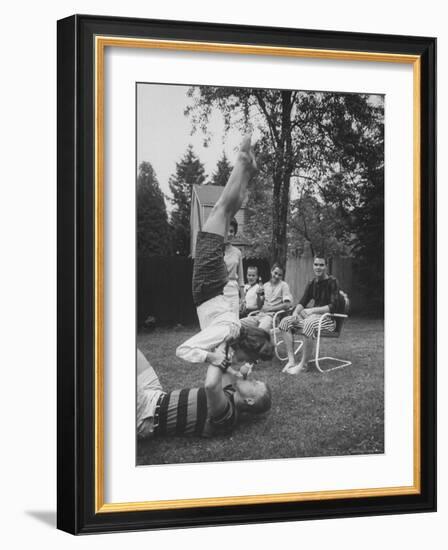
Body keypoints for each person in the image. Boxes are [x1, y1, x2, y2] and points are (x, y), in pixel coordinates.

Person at [176, 135, 274, 369]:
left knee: (227, 212)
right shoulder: (226, 332)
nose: (247, 363)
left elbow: (227, 360)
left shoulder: (232, 335)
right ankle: (242, 163)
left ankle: (247, 173)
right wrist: (210, 358)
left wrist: (235, 370)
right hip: (207, 286)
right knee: (220, 209)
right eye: (251, 360)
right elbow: (183, 350)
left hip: (214, 287)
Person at [137, 349, 271, 439]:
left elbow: (211, 385)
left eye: (254, 384)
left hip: (146, 414)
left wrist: (219, 354)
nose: (251, 379)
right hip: (156, 394)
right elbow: (223, 368)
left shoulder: (228, 415)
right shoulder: (231, 392)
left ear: (249, 401)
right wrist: (227, 344)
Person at [279, 255, 340, 374]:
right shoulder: (312, 282)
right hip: (313, 319)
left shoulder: (332, 282)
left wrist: (313, 310)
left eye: (321, 265)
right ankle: (291, 361)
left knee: (308, 323)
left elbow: (333, 306)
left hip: (328, 320)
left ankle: (303, 365)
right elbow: (302, 302)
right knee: (285, 322)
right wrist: (296, 313)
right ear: (313, 266)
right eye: (316, 264)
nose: (318, 267)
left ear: (326, 266)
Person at [240, 263, 293, 333]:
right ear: (271, 272)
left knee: (260, 331)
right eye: (275, 273)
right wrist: (258, 295)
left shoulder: (284, 285)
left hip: (271, 317)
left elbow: (287, 305)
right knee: (238, 324)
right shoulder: (265, 285)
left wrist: (270, 309)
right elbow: (259, 305)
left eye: (280, 275)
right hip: (259, 315)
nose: (277, 276)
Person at [223, 218, 245, 316]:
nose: (229, 234)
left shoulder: (237, 252)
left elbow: (241, 278)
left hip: (233, 291)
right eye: (227, 230)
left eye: (231, 231)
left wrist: (243, 298)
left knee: (233, 322)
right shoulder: (216, 251)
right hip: (219, 291)